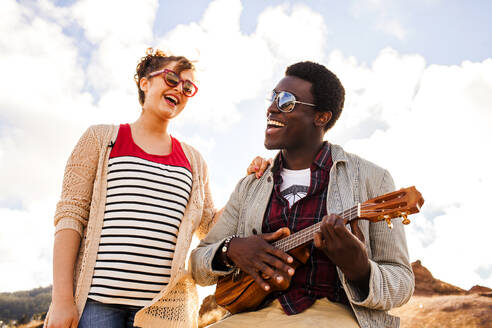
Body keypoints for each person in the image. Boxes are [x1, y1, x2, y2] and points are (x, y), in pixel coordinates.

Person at [45, 48, 269, 328]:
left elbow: (209, 226)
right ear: (145, 82)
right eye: (172, 78)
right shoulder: (101, 139)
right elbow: (70, 217)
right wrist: (62, 298)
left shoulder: (194, 161)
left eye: (188, 87)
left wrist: (248, 183)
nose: (180, 89)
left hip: (164, 311)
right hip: (96, 305)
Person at [191, 61, 414, 328]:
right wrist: (230, 250)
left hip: (334, 316)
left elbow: (402, 281)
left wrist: (360, 270)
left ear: (321, 117)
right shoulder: (251, 185)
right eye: (272, 97)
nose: (272, 107)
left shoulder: (371, 178)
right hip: (248, 317)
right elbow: (197, 265)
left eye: (286, 101)